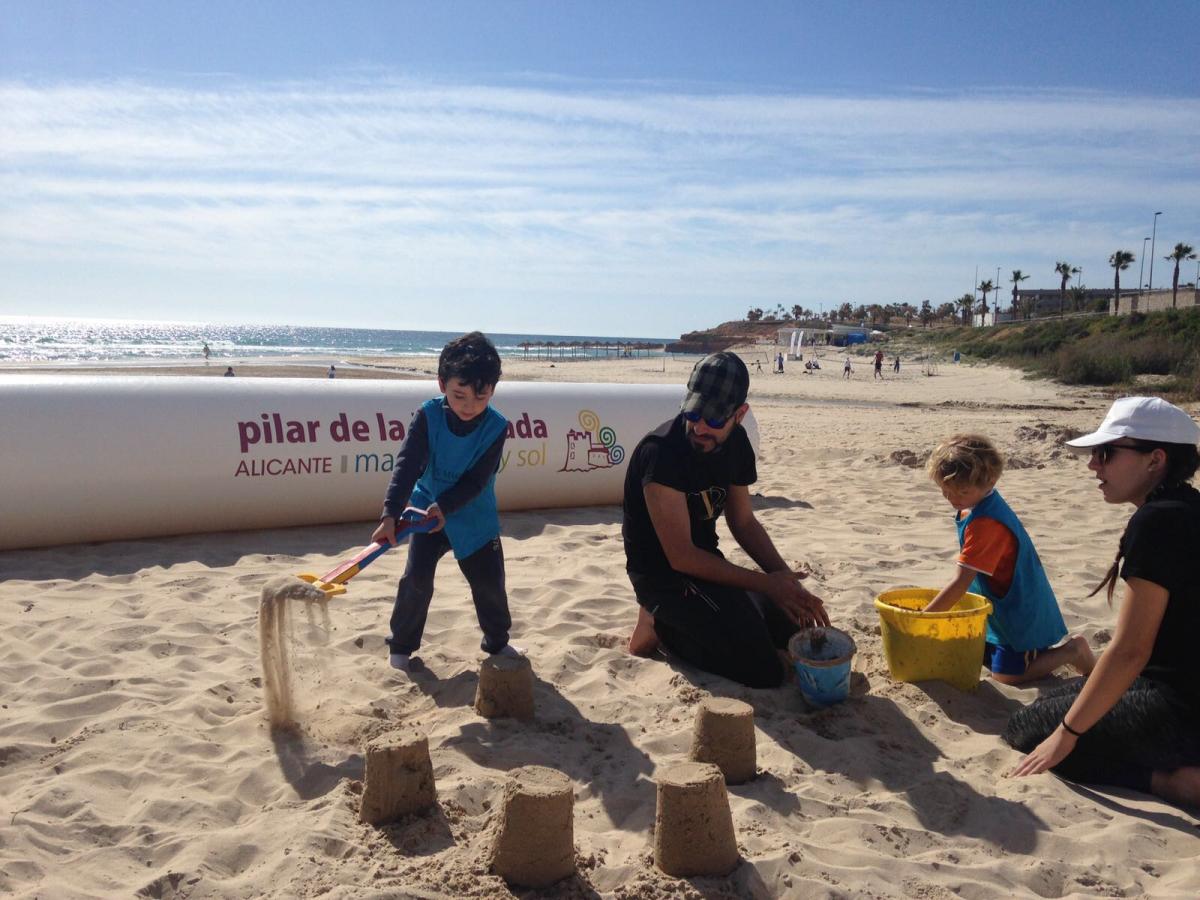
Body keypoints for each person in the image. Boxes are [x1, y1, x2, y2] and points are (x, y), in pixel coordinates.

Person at [1005, 397, 1200, 806]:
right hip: (1176, 686)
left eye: (1105, 453)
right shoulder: (1189, 507)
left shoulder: (1158, 522)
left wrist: (1066, 736)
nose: (1094, 465)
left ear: (1155, 459)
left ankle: (1175, 784)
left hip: (1182, 709)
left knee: (1028, 729)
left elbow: (1130, 650)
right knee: (1059, 700)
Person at [623, 351, 829, 688]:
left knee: (798, 632)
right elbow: (681, 557)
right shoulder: (660, 454)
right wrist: (765, 584)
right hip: (664, 576)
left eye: (715, 418)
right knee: (764, 672)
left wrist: (784, 579)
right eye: (693, 412)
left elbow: (743, 522)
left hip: (708, 567)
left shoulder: (737, 444)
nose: (701, 426)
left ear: (739, 414)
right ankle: (657, 621)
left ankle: (724, 613)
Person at [371, 332, 520, 673]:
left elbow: (477, 480)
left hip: (473, 514)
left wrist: (447, 507)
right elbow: (407, 465)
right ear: (442, 384)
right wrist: (390, 513)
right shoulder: (428, 416)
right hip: (425, 511)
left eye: (480, 397)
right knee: (416, 580)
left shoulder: (497, 427)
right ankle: (402, 647)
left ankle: (497, 642)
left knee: (489, 584)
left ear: (493, 391)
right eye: (460, 395)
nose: (469, 406)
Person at [923, 434, 1093, 684]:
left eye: (961, 491)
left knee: (1006, 677)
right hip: (998, 608)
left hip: (1020, 613)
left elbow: (961, 581)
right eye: (945, 491)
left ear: (989, 481)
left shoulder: (986, 523)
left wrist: (923, 618)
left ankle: (1073, 651)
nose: (952, 498)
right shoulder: (977, 502)